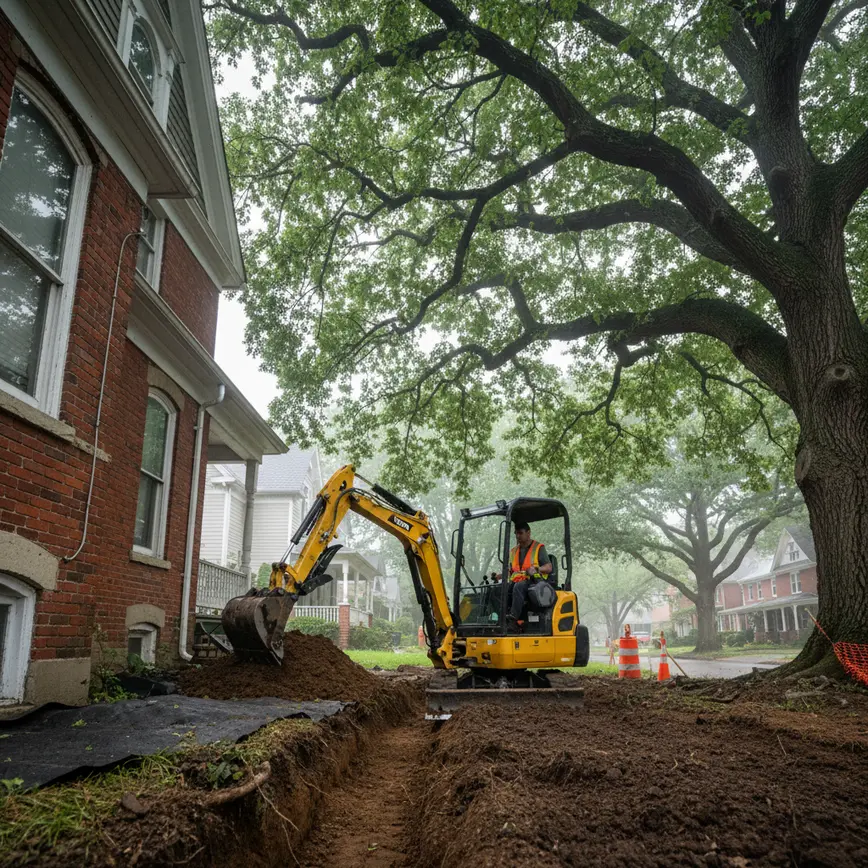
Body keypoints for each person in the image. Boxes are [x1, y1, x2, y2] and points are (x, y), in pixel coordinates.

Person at [505, 522, 552, 628]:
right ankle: (501, 616)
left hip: (535, 581)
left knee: (519, 586)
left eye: (520, 533)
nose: (518, 536)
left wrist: (537, 569)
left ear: (528, 533)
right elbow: (512, 570)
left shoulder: (538, 548)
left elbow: (549, 567)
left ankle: (513, 618)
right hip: (518, 580)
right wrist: (501, 576)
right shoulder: (514, 551)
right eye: (516, 533)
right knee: (503, 588)